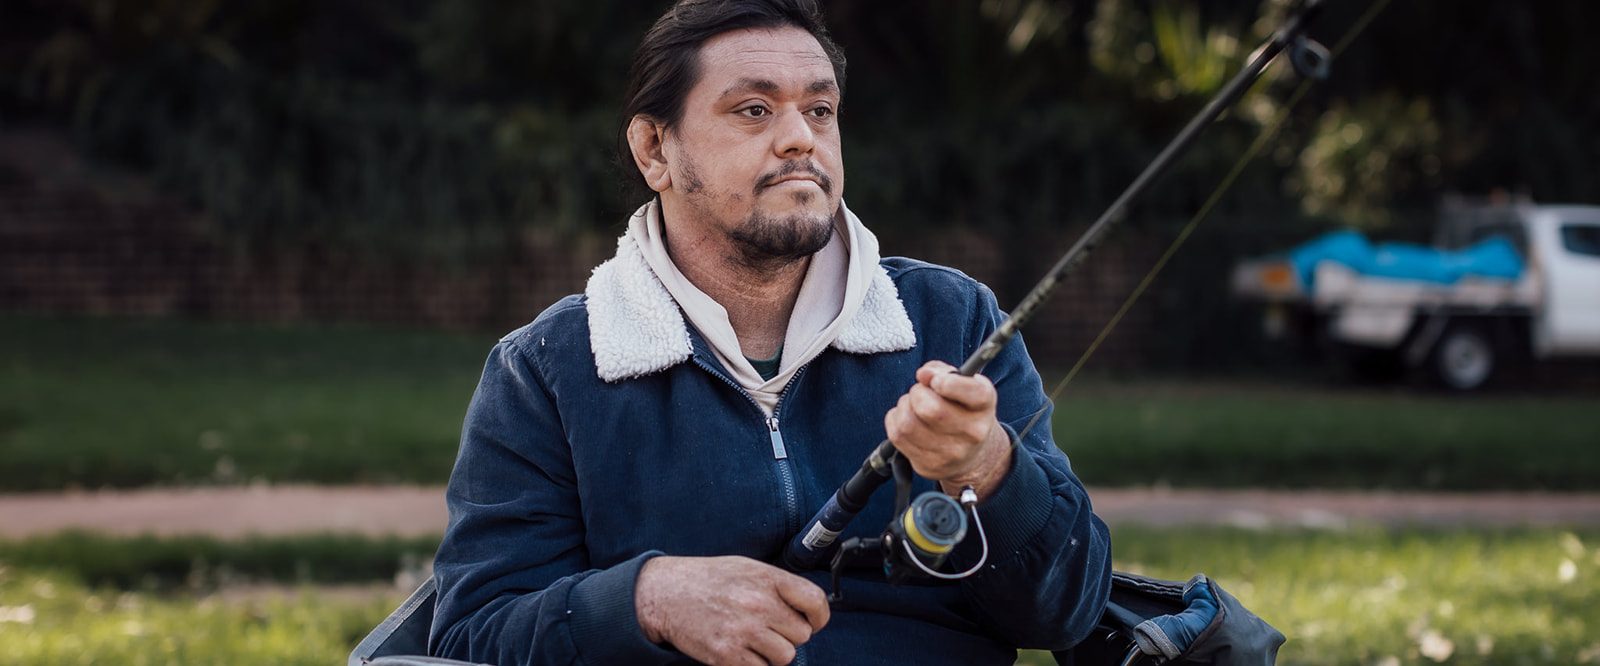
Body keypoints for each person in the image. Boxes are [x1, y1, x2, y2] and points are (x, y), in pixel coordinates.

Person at [428, 0, 1111, 664]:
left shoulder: (955, 317)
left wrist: (990, 468)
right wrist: (645, 599)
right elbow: (474, 632)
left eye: (819, 110)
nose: (799, 137)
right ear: (653, 150)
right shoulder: (544, 370)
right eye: (753, 110)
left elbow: (1068, 613)